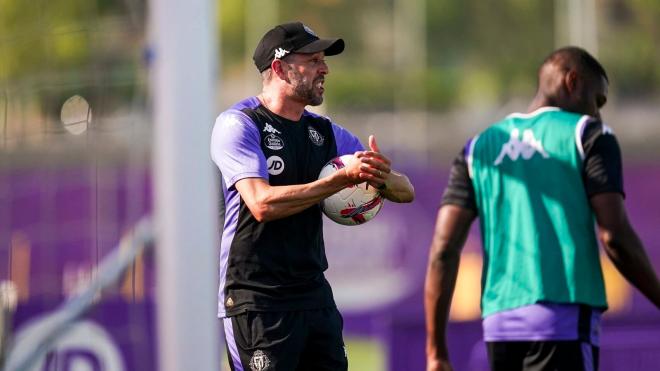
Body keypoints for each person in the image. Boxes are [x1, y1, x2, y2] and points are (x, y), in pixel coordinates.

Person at [424, 46, 660, 371]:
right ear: (572, 81)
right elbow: (614, 236)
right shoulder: (587, 135)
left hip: (500, 329)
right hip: (563, 325)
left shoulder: (478, 148)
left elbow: (442, 250)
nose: (599, 113)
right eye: (598, 100)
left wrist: (436, 351)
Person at [211, 21, 414, 371]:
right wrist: (339, 181)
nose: (325, 68)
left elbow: (405, 190)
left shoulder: (324, 132)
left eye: (324, 59)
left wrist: (380, 177)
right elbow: (261, 203)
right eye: (314, 60)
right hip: (257, 301)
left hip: (313, 297)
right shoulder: (240, 124)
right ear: (279, 68)